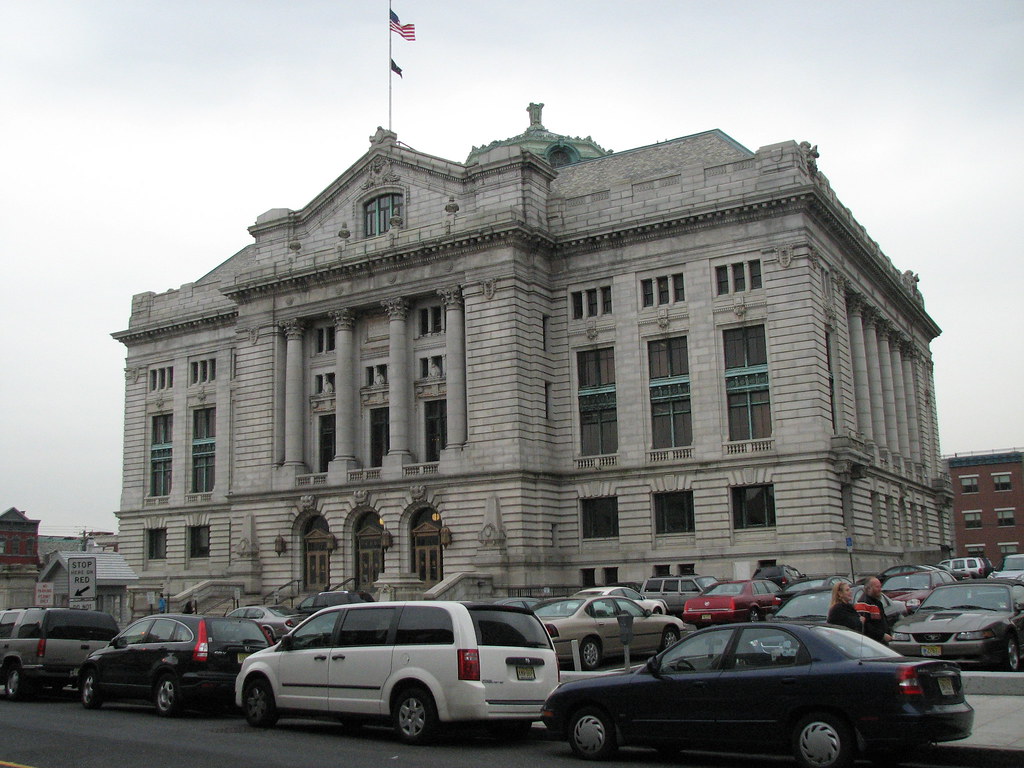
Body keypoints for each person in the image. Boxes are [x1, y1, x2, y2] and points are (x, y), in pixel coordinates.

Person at [857, 577, 892, 644]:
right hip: (872, 643)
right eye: (877, 587)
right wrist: (882, 635)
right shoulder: (863, 604)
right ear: (869, 589)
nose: (880, 589)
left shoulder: (877, 602)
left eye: (880, 587)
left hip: (881, 642)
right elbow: (865, 626)